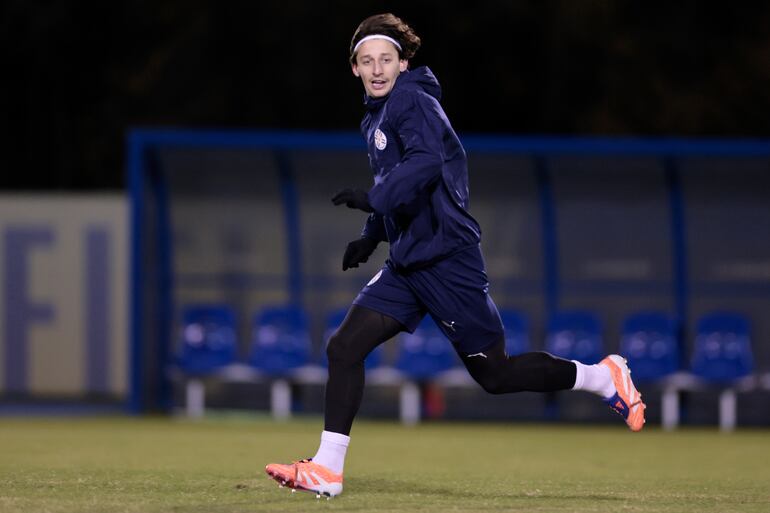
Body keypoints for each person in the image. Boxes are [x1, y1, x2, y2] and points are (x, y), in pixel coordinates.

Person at [266, 13, 645, 499]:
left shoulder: (411, 100)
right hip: (407, 264)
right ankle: (327, 468)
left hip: (447, 259)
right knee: (344, 348)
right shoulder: (376, 115)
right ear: (354, 69)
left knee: (496, 374)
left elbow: (425, 165)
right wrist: (372, 233)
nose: (377, 68)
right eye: (367, 61)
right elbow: (397, 188)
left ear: (403, 63)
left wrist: (373, 201)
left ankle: (601, 376)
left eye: (386, 59)